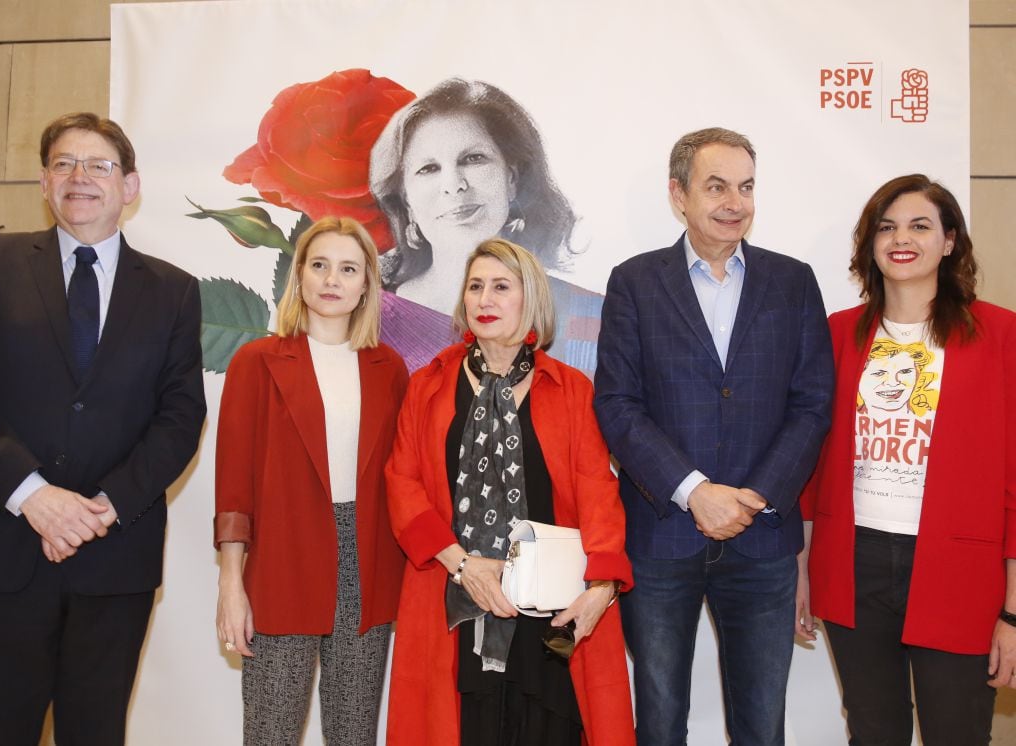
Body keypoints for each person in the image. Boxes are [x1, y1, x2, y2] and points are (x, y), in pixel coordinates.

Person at [0, 112, 206, 745]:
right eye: (64, 163)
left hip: (113, 561)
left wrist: (102, 508)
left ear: (130, 186)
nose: (79, 177)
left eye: (99, 165)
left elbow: (179, 416)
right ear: (43, 181)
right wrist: (35, 497)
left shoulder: (173, 291)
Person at [593, 127, 834, 745]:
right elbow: (618, 404)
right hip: (662, 534)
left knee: (761, 724)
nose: (735, 202)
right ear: (679, 195)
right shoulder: (635, 282)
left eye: (747, 187)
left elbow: (812, 405)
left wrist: (753, 496)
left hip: (764, 537)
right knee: (662, 718)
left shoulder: (793, 281)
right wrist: (696, 491)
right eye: (717, 186)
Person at [384, 238, 635, 746]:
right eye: (475, 287)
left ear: (532, 300)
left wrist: (602, 589)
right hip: (454, 598)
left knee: (551, 724)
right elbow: (402, 483)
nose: (485, 300)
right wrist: (462, 564)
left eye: (501, 287)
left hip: (549, 612)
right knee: (458, 727)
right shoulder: (429, 385)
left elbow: (598, 495)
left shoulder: (571, 390)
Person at [797, 174, 1016, 745]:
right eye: (887, 227)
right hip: (853, 561)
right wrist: (801, 567)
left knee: (957, 732)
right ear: (870, 244)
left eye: (921, 225)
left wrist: (1013, 612)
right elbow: (811, 463)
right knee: (872, 730)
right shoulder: (840, 333)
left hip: (961, 568)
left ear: (949, 242)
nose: (902, 238)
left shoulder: (1000, 334)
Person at [214, 216, 409, 745]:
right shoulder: (255, 363)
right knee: (271, 732)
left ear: (368, 282)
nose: (332, 280)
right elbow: (233, 488)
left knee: (353, 735)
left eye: (348, 269)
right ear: (298, 275)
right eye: (319, 265)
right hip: (281, 560)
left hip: (368, 562)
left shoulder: (389, 367)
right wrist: (232, 585)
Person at [369, 77, 602, 375]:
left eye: (473, 158)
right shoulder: (368, 321)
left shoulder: (590, 318)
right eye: (429, 168)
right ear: (406, 200)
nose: (454, 186)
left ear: (512, 179)